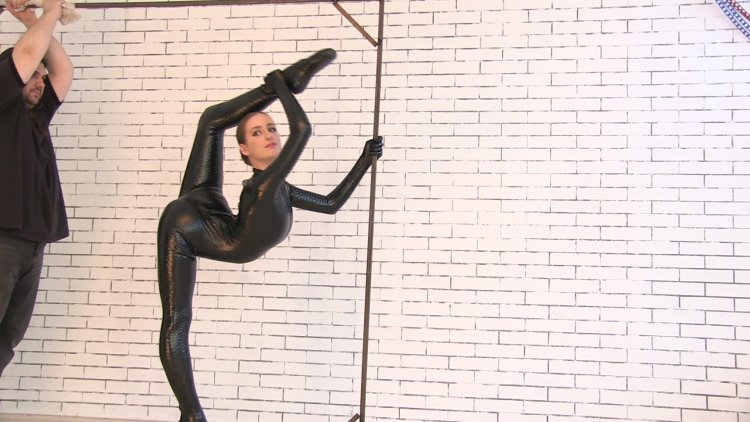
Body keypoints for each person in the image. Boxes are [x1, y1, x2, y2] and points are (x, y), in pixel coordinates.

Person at [157, 48, 383, 422]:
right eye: (257, 132)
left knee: (211, 121)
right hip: (183, 228)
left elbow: (331, 204)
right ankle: (192, 415)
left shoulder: (279, 187)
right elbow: (303, 130)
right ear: (244, 150)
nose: (269, 135)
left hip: (207, 209)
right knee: (177, 320)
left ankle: (288, 79)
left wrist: (365, 159)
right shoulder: (265, 186)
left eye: (272, 128)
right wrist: (282, 86)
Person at [0, 0, 74, 376]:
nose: (40, 82)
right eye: (32, 76)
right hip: (3, 240)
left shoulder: (37, 116)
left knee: (8, 338)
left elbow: (64, 70)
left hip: (33, 245)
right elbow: (28, 52)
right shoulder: (4, 103)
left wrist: (31, 19)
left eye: (41, 77)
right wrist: (51, 13)